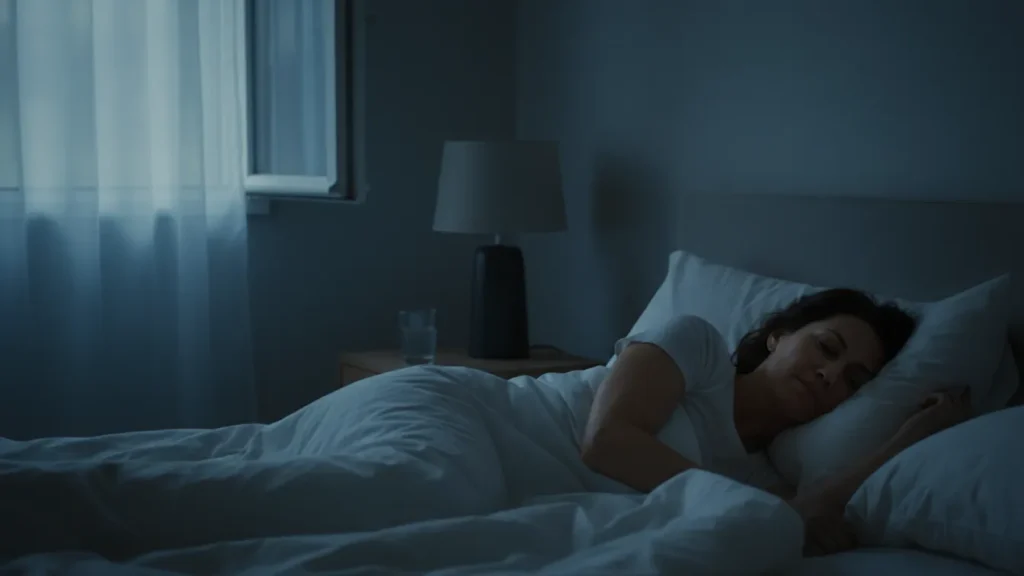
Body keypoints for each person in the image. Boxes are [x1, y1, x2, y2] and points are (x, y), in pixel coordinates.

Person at [579, 288, 973, 557]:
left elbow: (803, 512)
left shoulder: (760, 478)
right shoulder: (698, 347)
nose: (829, 374)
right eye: (826, 347)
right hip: (527, 428)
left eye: (853, 381)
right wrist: (754, 507)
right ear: (777, 337)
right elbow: (607, 439)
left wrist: (912, 434)